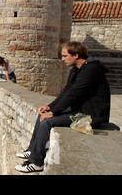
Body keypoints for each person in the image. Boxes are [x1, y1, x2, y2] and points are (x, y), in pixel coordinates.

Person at [15, 41, 110, 173]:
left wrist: (53, 112)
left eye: (65, 56)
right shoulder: (77, 69)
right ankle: (32, 151)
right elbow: (66, 91)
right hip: (78, 109)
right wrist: (50, 107)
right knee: (42, 115)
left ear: (75, 55)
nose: (62, 59)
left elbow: (74, 93)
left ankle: (36, 162)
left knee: (47, 122)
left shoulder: (91, 71)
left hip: (90, 115)